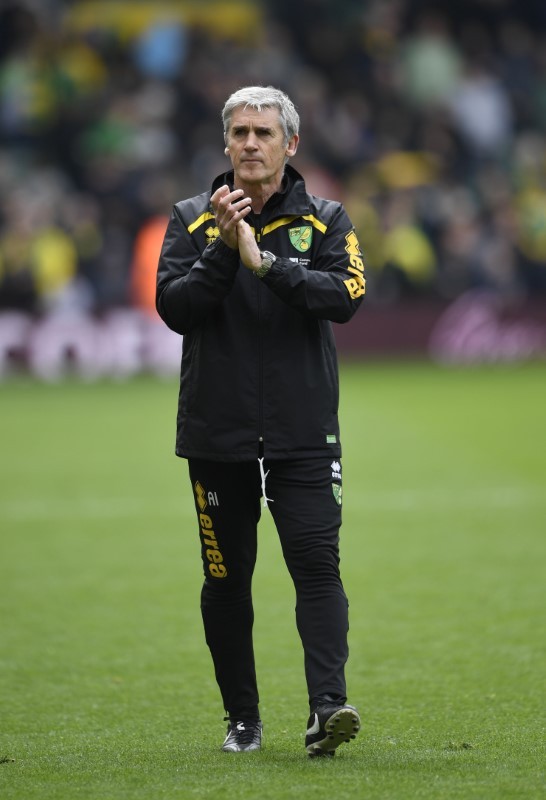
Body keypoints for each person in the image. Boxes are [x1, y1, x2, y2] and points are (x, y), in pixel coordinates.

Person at [156, 86, 365, 756]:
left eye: (263, 132)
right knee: (226, 578)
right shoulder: (190, 219)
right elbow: (175, 308)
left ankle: (327, 710)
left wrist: (268, 265)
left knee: (316, 564)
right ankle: (242, 720)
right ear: (225, 143)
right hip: (218, 437)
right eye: (239, 131)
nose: (250, 142)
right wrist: (223, 249)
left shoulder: (327, 219)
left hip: (304, 435)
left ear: (291, 144)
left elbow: (346, 296)